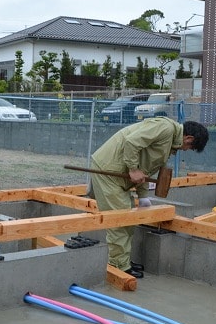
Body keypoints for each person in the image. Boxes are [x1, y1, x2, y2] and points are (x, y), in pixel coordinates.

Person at [88, 117, 209, 279]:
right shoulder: (165, 128)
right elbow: (131, 142)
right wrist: (132, 168)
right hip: (108, 170)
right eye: (189, 147)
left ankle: (123, 261)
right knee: (119, 221)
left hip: (118, 175)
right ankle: (118, 266)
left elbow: (143, 169)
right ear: (189, 138)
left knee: (128, 221)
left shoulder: (168, 142)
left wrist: (143, 196)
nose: (185, 150)